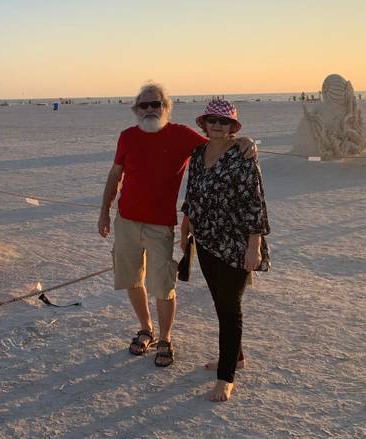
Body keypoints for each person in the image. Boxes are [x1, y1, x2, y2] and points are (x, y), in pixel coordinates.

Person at [98, 83, 255, 368]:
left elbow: (216, 144)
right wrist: (103, 212)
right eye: (144, 105)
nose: (150, 110)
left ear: (165, 108)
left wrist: (242, 141)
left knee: (163, 285)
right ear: (136, 110)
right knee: (132, 279)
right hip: (126, 221)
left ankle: (166, 339)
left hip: (160, 225)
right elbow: (115, 175)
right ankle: (146, 329)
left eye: (155, 104)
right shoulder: (127, 137)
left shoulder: (181, 135)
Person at [180, 98, 270, 402]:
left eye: (224, 122)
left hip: (235, 242)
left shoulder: (243, 155)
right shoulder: (198, 153)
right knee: (220, 302)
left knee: (230, 308)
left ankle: (226, 376)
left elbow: (254, 203)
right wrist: (185, 228)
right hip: (205, 239)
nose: (218, 126)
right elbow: (191, 193)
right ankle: (237, 357)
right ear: (204, 124)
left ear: (233, 127)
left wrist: (254, 247)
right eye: (213, 121)